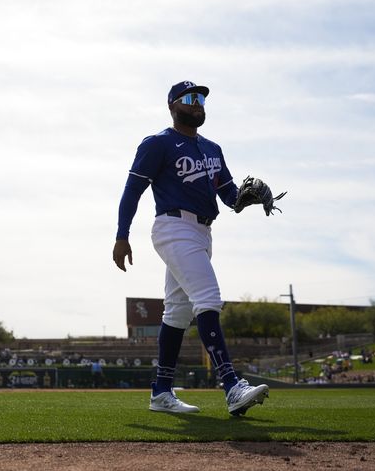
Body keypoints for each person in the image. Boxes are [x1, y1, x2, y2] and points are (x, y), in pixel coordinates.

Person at [112, 80, 270, 416]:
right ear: (173, 105)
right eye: (190, 98)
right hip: (173, 226)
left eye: (200, 98)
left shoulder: (213, 149)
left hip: (202, 232)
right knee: (209, 299)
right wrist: (122, 235)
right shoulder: (158, 144)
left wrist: (248, 197)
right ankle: (231, 385)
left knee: (178, 312)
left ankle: (161, 392)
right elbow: (132, 191)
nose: (197, 103)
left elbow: (230, 197)